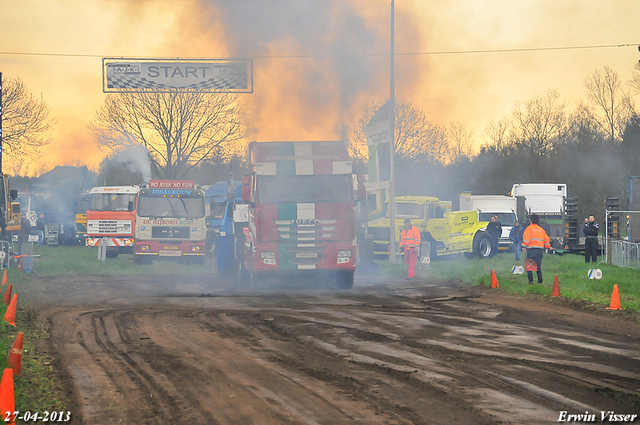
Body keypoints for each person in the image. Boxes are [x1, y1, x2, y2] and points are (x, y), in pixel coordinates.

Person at [522, 214, 552, 285]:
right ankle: (540, 281)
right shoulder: (541, 229)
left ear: (531, 220)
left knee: (530, 266)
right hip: (539, 251)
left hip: (531, 250)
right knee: (538, 266)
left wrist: (523, 246)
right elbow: (546, 240)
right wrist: (548, 246)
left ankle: (531, 281)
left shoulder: (529, 229)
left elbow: (526, 239)